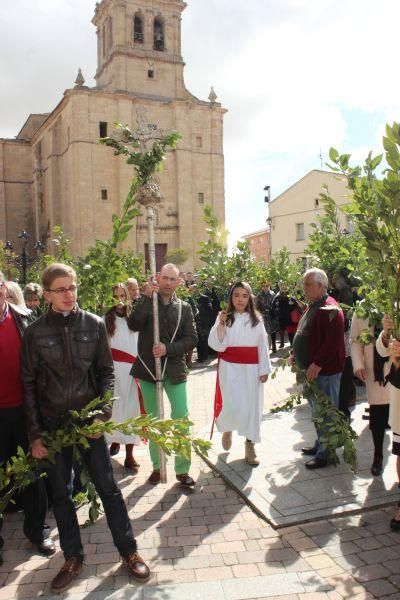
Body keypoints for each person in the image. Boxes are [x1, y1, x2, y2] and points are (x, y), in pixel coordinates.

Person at [20, 263, 150, 593]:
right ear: (46, 294)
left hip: (89, 422)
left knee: (108, 487)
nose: (69, 294)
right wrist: (36, 434)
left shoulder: (93, 325)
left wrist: (102, 413)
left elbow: (106, 374)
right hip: (53, 424)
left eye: (72, 287)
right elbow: (29, 384)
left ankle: (129, 551)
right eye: (61, 289)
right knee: (62, 494)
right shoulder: (34, 333)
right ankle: (73, 558)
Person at [0, 271, 54, 560]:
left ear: (4, 289)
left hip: (25, 411)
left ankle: (38, 531)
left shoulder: (24, 319)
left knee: (33, 472)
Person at [128, 263, 197, 487]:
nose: (167, 283)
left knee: (181, 418)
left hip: (174, 369)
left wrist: (169, 349)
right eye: (164, 278)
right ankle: (158, 467)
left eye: (172, 279)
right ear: (158, 277)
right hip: (148, 369)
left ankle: (182, 469)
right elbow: (133, 323)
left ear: (179, 282)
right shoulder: (147, 302)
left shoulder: (184, 307)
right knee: (154, 419)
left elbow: (192, 339)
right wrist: (147, 298)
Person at [208, 282, 271, 466]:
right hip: (230, 368)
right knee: (232, 404)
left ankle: (250, 445)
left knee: (251, 407)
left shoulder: (256, 320)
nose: (240, 299)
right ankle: (228, 428)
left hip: (251, 370)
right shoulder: (225, 318)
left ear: (250, 298)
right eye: (236, 295)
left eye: (244, 295)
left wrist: (264, 369)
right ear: (231, 297)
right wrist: (220, 323)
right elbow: (217, 344)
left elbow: (263, 345)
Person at [292, 268, 345, 469]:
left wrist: (318, 363)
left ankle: (326, 454)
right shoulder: (314, 305)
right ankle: (320, 444)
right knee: (317, 412)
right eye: (304, 284)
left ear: (321, 286)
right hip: (312, 371)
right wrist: (294, 355)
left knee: (327, 412)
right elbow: (304, 333)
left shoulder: (331, 308)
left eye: (308, 284)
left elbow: (333, 342)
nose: (304, 288)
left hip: (325, 372)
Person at [105, 283, 142, 470]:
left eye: (122, 296)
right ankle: (113, 440)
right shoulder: (106, 320)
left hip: (131, 372)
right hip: (112, 371)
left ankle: (129, 455)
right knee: (113, 410)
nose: (119, 300)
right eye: (115, 296)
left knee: (131, 411)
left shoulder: (134, 319)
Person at [351, 312, 390, 476]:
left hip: (394, 368)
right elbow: (355, 340)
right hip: (373, 372)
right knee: (378, 416)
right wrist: (358, 364)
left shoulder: (394, 303)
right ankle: (378, 457)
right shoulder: (362, 309)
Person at [255, 281, 279, 353]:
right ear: (261, 287)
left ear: (269, 286)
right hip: (264, 316)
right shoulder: (259, 295)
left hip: (272, 315)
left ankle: (274, 345)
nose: (265, 287)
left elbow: (275, 304)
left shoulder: (272, 293)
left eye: (266, 286)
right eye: (263, 286)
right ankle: (267, 348)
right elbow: (257, 307)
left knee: (273, 331)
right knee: (266, 331)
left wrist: (276, 312)